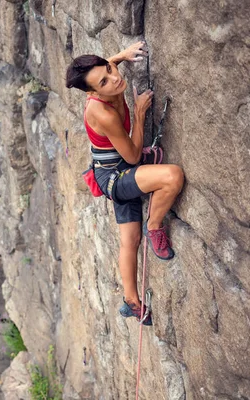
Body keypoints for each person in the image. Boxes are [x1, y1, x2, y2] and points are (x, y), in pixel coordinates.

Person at [65, 42, 184, 325]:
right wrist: (140, 113)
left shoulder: (108, 74)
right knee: (172, 176)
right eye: (104, 81)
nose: (115, 78)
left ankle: (131, 301)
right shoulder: (102, 113)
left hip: (112, 167)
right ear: (92, 92)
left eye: (109, 69)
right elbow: (131, 156)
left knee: (129, 240)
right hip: (115, 176)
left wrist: (121, 55)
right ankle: (154, 226)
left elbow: (107, 66)